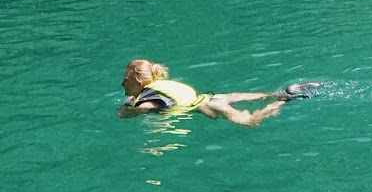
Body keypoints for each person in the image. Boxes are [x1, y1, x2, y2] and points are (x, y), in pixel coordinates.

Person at [119, 59, 316, 127]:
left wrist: (126, 110)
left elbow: (145, 108)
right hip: (213, 97)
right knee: (238, 96)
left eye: (126, 80)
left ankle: (283, 101)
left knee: (249, 122)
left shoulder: (149, 97)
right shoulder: (162, 84)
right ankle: (280, 93)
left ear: (138, 81)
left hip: (209, 105)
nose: (122, 84)